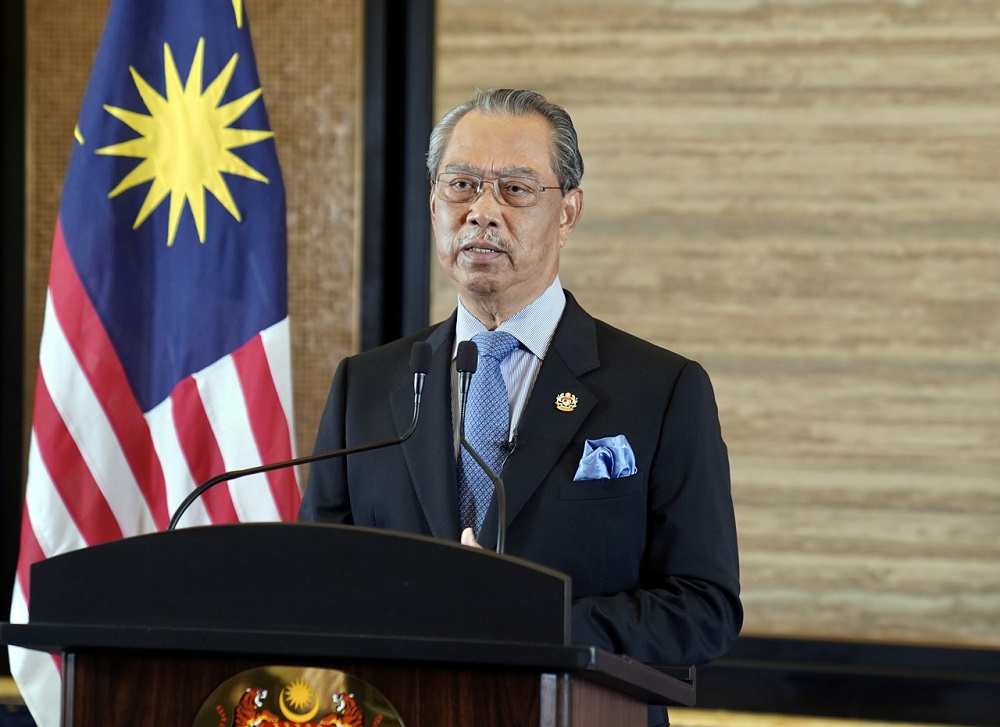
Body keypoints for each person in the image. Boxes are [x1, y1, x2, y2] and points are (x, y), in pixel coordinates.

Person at [299, 88, 742, 725]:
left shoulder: (661, 390)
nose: (482, 211)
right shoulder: (365, 386)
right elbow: (317, 585)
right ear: (432, 204)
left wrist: (526, 618)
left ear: (568, 212)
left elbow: (704, 609)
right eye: (462, 185)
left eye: (515, 188)